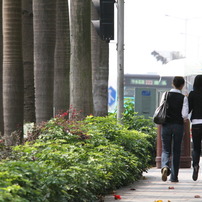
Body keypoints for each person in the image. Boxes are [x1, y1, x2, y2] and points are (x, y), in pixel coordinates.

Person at [160, 76, 188, 182]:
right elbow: (184, 115)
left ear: (173, 83)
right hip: (178, 126)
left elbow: (161, 108)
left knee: (166, 149)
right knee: (176, 151)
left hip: (166, 124)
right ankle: (174, 177)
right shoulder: (183, 98)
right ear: (182, 85)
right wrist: (184, 119)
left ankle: (165, 166)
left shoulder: (165, 95)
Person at [188, 75, 202, 181]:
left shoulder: (192, 94)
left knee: (196, 148)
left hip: (196, 123)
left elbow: (188, 110)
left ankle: (196, 165)